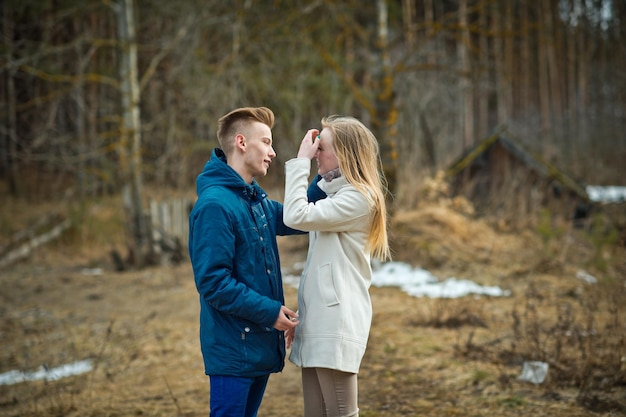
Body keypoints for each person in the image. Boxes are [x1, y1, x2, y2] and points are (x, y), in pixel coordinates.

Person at [188, 106, 301, 417]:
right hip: (232, 351)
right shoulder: (215, 205)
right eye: (266, 142)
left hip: (257, 347)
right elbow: (213, 282)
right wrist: (269, 312)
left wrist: (329, 171)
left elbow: (301, 215)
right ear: (241, 142)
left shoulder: (255, 200)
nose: (272, 152)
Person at [283, 115, 391, 417]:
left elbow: (294, 215)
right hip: (320, 319)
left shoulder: (359, 198)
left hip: (336, 322)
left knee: (343, 413)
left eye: (322, 147)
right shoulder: (337, 193)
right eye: (315, 147)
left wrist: (300, 162)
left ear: (344, 154)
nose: (316, 152)